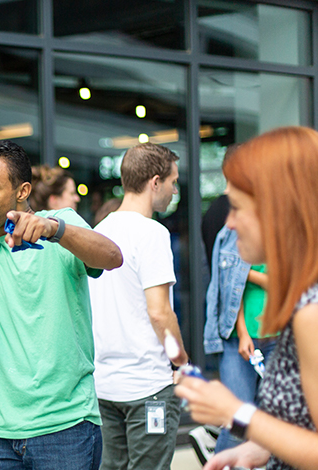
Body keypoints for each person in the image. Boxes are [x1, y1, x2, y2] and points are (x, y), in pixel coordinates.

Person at [0, 140, 123, 470]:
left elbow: (112, 257)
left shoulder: (60, 222)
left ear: (22, 190)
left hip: (64, 426)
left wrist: (54, 230)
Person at [176, 126, 318, 470]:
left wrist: (236, 413)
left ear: (280, 210)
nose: (231, 223)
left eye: (237, 208)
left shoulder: (310, 312)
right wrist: (260, 450)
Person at [88, 143, 189, 470]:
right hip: (148, 386)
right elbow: (159, 312)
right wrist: (181, 362)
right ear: (155, 181)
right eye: (173, 182)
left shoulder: (97, 232)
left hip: (103, 386)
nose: (175, 191)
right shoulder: (152, 233)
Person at [203, 224, 276, 454]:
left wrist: (246, 273)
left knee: (278, 422)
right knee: (239, 424)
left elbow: (284, 284)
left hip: (279, 338)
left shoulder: (287, 228)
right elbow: (231, 290)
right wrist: (243, 333)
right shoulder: (233, 231)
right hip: (238, 339)